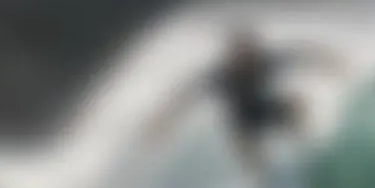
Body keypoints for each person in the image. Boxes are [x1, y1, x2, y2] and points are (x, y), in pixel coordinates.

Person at [146, 22, 348, 174]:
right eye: (240, 56)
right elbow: (186, 96)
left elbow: (301, 55)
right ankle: (259, 173)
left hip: (265, 108)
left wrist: (330, 61)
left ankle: (306, 150)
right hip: (243, 122)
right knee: (246, 144)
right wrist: (163, 123)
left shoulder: (266, 61)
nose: (247, 61)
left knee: (296, 104)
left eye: (250, 54)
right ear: (232, 57)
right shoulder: (222, 76)